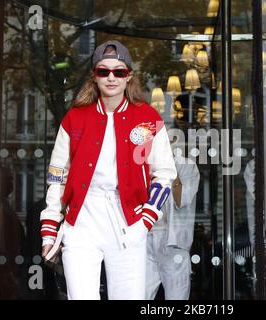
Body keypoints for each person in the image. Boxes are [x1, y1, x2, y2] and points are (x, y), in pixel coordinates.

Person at [40, 40, 177, 300]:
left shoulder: (147, 118)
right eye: (104, 71)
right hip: (82, 220)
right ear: (94, 76)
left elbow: (165, 174)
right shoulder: (74, 118)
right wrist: (50, 228)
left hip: (128, 221)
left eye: (119, 71)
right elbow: (57, 177)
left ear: (129, 76)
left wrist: (146, 218)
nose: (111, 77)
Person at [145, 151, 200, 300]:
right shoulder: (145, 165)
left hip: (173, 244)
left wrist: (169, 168)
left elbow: (182, 199)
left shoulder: (187, 166)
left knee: (176, 297)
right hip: (146, 240)